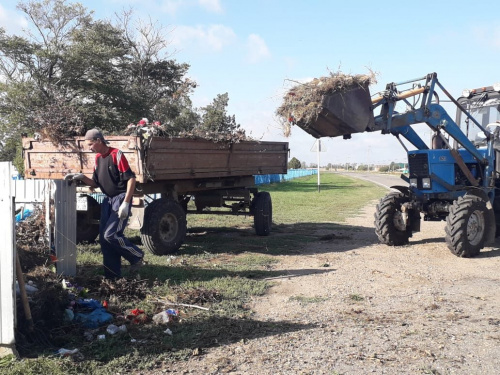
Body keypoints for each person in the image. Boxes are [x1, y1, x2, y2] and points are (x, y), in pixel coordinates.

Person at [65, 128, 144, 279]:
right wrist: (81, 177)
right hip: (107, 200)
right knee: (104, 240)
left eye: (90, 144)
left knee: (111, 235)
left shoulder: (116, 155)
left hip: (120, 198)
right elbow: (94, 183)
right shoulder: (98, 159)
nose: (89, 148)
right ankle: (112, 276)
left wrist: (126, 203)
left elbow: (131, 179)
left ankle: (137, 255)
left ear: (98, 141)